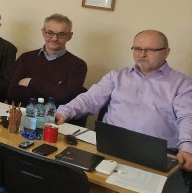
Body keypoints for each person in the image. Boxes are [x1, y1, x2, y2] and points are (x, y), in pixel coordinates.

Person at [55, 30, 192, 171]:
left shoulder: (183, 84)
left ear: (166, 52)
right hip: (111, 146)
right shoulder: (116, 76)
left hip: (156, 153)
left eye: (149, 50)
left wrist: (187, 148)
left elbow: (187, 117)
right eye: (137, 48)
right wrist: (63, 112)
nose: (142, 54)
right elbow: (89, 99)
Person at [7, 13, 87, 105]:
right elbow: (11, 93)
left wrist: (31, 82)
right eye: (50, 33)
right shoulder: (26, 58)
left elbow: (67, 98)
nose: (55, 38)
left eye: (61, 34)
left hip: (55, 114)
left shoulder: (78, 65)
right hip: (23, 112)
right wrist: (54, 91)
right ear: (43, 33)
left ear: (69, 36)